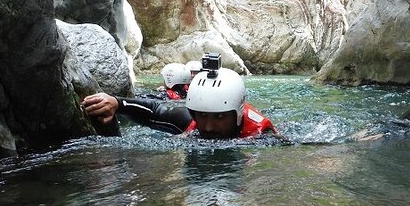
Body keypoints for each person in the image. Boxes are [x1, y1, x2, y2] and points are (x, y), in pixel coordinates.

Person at [82, 54, 279, 140]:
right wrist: (117, 102)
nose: (208, 127)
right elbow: (155, 109)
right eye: (201, 115)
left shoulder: (262, 135)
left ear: (237, 116)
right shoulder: (192, 121)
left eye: (219, 117)